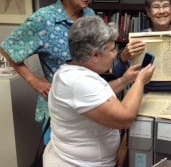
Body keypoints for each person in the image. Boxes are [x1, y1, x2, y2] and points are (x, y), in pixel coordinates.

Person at [1, 0, 98, 144]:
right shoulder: (44, 19)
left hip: (88, 102)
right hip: (59, 109)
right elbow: (8, 48)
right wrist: (33, 80)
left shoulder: (91, 16)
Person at [43, 16, 155, 167]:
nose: (116, 54)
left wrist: (125, 80)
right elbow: (125, 118)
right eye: (112, 49)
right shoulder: (79, 82)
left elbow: (98, 98)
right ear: (95, 55)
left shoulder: (69, 71)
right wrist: (140, 81)